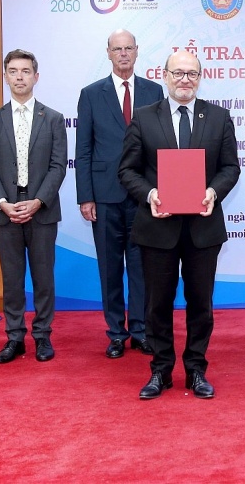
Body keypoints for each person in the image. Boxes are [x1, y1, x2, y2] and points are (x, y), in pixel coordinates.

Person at [118, 50, 240, 399]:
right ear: (165, 76)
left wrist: (213, 192)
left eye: (192, 73)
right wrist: (150, 194)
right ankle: (160, 370)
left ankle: (196, 369)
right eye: (178, 73)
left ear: (200, 78)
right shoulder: (144, 117)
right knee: (157, 304)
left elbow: (230, 168)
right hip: (158, 228)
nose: (185, 79)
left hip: (203, 229)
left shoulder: (218, 117)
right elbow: (127, 170)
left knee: (201, 304)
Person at [75, 29, 164, 359]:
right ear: (108, 53)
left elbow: (161, 145)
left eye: (128, 48)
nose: (123, 54)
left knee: (142, 268)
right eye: (117, 49)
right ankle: (116, 333)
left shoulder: (154, 91)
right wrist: (86, 196)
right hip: (104, 196)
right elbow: (83, 149)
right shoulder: (90, 94)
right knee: (110, 268)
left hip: (144, 195)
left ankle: (140, 330)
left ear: (137, 51)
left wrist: (161, 189)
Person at [0, 49, 67, 363]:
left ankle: (42, 336)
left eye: (25, 71)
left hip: (42, 211)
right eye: (13, 71)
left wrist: (38, 201)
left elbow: (58, 166)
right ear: (5, 77)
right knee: (12, 279)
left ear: (36, 77)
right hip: (6, 213)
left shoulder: (53, 118)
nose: (19, 77)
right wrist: (3, 203)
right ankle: (14, 338)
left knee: (43, 279)